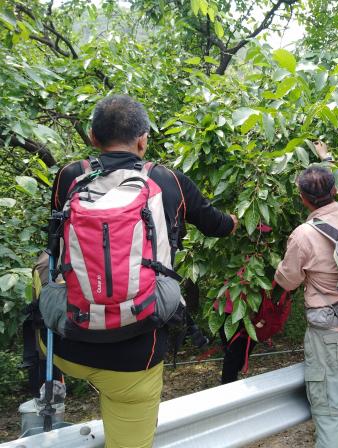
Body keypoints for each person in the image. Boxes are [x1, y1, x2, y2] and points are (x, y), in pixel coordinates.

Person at [43, 94, 238, 448]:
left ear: (93, 137)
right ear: (143, 140)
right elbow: (217, 225)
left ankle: (47, 380)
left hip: (67, 343)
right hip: (135, 354)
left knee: (41, 266)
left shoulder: (69, 176)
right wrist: (235, 222)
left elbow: (55, 245)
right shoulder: (168, 180)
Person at [274, 142, 338, 448]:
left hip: (332, 336)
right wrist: (328, 160)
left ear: (302, 199)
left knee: (330, 412)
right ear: (333, 190)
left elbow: (287, 281)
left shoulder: (304, 235)